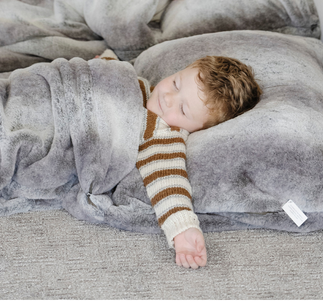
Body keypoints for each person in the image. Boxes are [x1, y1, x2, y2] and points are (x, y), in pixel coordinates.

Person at [100, 49, 261, 269]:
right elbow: (117, 76)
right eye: (176, 84)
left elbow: (167, 177)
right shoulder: (144, 88)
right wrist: (107, 61)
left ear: (196, 130)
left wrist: (183, 230)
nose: (167, 98)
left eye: (183, 109)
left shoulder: (163, 132)